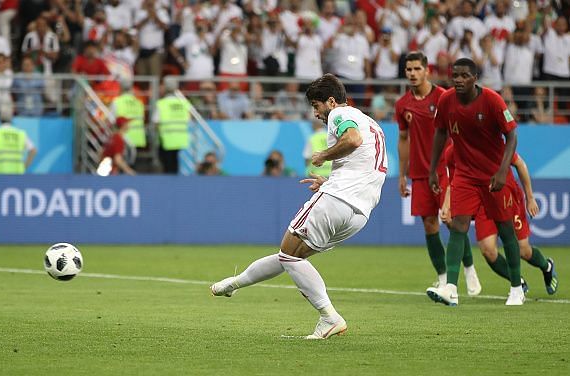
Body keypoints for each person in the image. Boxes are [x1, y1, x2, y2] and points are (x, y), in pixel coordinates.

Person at [211, 73, 387, 339]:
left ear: (331, 101)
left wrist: (324, 156)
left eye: (316, 106)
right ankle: (234, 284)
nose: (316, 113)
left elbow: (352, 140)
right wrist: (330, 179)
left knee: (289, 254)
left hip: (338, 199)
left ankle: (329, 317)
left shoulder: (340, 115)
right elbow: (364, 165)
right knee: (291, 256)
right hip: (360, 212)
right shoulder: (371, 122)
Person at [426, 58, 524, 306]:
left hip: (493, 176)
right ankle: (450, 288)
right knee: (458, 224)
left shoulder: (492, 100)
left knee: (505, 229)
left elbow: (511, 134)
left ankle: (516, 287)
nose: (458, 80)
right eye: (455, 75)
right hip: (465, 175)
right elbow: (440, 133)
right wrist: (433, 169)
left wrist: (503, 171)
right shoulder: (446, 100)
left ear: (475, 78)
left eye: (464, 75)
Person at [395, 51, 480, 294]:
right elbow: (403, 139)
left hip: (446, 169)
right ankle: (443, 278)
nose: (412, 73)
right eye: (408, 70)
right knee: (430, 225)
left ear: (426, 70)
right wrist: (402, 174)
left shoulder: (444, 97)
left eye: (416, 69)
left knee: (453, 220)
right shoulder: (402, 105)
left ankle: (469, 269)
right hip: (420, 173)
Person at [441, 145, 559, 295]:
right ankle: (518, 282)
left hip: (504, 195)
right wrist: (447, 204)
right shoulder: (452, 152)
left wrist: (530, 198)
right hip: (482, 201)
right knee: (488, 250)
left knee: (523, 250)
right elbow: (454, 182)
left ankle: (546, 266)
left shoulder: (489, 142)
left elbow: (520, 164)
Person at [0, 105, 37, 174]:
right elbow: (33, 150)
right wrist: (24, 166)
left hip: (0, 172)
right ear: (11, 118)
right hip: (18, 172)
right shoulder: (20, 134)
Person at [152, 77, 191, 174]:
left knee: (168, 168)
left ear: (165, 87)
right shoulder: (184, 103)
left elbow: (156, 122)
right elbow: (189, 120)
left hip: (167, 140)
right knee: (177, 168)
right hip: (182, 140)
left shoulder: (162, 103)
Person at [111, 79, 146, 149]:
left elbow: (111, 121)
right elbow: (143, 119)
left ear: (120, 88)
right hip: (138, 139)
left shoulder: (116, 102)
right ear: (131, 88)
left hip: (124, 140)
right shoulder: (139, 103)